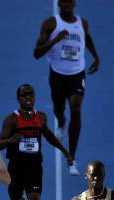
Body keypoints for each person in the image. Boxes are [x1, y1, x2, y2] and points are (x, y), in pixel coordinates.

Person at [0, 84, 71, 200]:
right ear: (18, 98)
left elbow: (50, 136)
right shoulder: (12, 120)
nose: (28, 98)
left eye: (31, 94)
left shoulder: (41, 117)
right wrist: (11, 140)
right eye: (24, 95)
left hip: (34, 168)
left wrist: (65, 151)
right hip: (15, 168)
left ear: (35, 97)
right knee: (14, 199)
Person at [33, 0, 100, 176]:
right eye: (63, 3)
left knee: (76, 108)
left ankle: (71, 157)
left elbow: (88, 38)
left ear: (74, 3)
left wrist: (96, 57)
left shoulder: (82, 23)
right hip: (57, 75)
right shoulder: (50, 24)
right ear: (59, 4)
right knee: (59, 109)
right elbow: (37, 53)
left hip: (77, 75)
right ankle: (61, 122)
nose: (66, 6)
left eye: (69, 2)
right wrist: (55, 39)